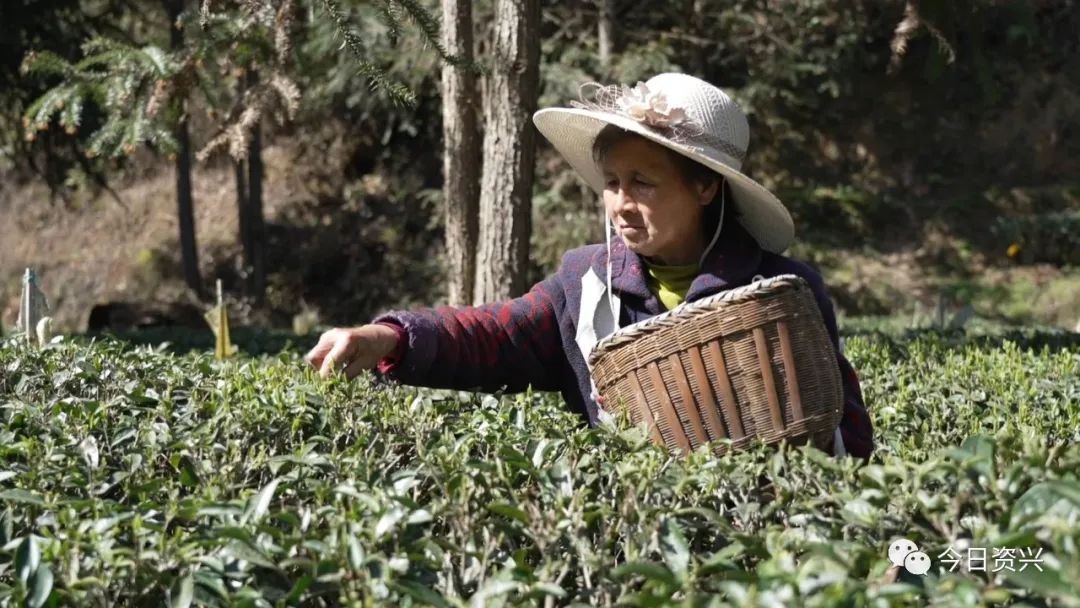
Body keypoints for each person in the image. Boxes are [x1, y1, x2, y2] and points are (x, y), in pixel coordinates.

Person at [304, 73, 873, 458]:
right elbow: (496, 334)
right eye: (612, 184)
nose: (621, 203)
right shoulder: (587, 285)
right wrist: (389, 338)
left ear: (704, 187)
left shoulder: (776, 293)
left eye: (643, 184)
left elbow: (841, 422)